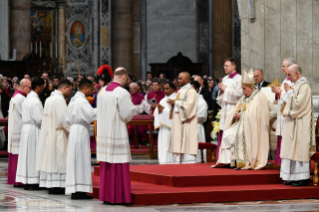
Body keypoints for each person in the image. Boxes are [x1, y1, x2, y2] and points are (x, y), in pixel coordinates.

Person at [97, 67, 142, 205]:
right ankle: (119, 196)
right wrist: (138, 109)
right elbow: (126, 114)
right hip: (116, 130)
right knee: (118, 163)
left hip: (104, 131)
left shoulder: (103, 90)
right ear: (124, 77)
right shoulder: (121, 92)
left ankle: (107, 196)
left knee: (108, 164)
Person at [213, 69, 269, 170]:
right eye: (242, 89)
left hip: (254, 126)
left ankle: (241, 161)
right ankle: (230, 161)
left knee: (237, 134)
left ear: (251, 88)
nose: (242, 92)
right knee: (227, 133)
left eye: (244, 89)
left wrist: (242, 116)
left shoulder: (258, 97)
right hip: (242, 123)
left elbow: (258, 115)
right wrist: (234, 115)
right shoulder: (245, 97)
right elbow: (237, 108)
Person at [280, 64, 316, 186]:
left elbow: (298, 104)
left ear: (297, 74)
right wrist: (287, 93)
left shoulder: (305, 87)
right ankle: (290, 176)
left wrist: (289, 92)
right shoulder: (294, 85)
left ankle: (302, 178)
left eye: (289, 74)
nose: (287, 77)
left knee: (299, 149)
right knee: (290, 148)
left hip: (301, 123)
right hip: (291, 122)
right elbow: (287, 103)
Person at [36, 80, 73, 194]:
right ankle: (59, 185)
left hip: (48, 134)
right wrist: (72, 130)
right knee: (59, 160)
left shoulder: (48, 99)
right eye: (70, 90)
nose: (70, 93)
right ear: (65, 88)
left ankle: (52, 184)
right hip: (58, 134)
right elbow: (64, 119)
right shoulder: (60, 100)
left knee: (51, 159)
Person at [65, 79, 96, 199]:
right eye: (92, 88)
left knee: (75, 160)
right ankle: (80, 190)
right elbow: (91, 115)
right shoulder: (82, 101)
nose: (93, 91)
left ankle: (75, 189)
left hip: (73, 130)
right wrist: (103, 109)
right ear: (86, 88)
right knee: (81, 159)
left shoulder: (72, 100)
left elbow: (67, 119)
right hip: (81, 130)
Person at [16, 77, 45, 190]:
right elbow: (39, 119)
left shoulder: (27, 98)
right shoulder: (35, 101)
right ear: (38, 87)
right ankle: (33, 181)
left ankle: (27, 181)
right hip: (34, 130)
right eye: (42, 87)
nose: (43, 89)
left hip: (26, 129)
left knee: (27, 156)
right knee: (34, 155)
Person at [167, 72, 198, 164]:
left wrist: (175, 103)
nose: (178, 80)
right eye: (178, 78)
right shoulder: (181, 91)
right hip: (178, 122)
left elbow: (189, 107)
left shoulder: (191, 91)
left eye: (180, 79)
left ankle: (187, 162)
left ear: (187, 80)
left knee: (186, 146)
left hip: (186, 123)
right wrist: (173, 104)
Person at [216, 58, 242, 158]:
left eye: (227, 66)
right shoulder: (225, 78)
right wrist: (221, 91)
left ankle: (232, 158)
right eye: (224, 66)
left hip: (233, 109)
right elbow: (220, 97)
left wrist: (225, 89)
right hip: (225, 109)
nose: (224, 68)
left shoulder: (240, 78)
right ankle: (223, 158)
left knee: (231, 133)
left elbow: (240, 95)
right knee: (224, 131)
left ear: (233, 66)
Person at [7, 79, 32, 187]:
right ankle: (20, 180)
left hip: (14, 129)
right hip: (20, 129)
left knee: (15, 154)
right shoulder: (21, 99)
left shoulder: (15, 96)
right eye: (30, 88)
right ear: (24, 86)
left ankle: (14, 179)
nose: (30, 90)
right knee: (19, 155)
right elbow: (26, 115)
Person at [271, 58, 295, 165]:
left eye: (283, 66)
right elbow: (283, 96)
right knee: (281, 139)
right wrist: (277, 93)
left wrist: (279, 92)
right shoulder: (286, 80)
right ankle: (280, 164)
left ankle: (285, 165)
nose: (281, 68)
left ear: (290, 67)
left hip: (289, 117)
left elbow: (292, 98)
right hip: (282, 115)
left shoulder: (295, 81)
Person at [153, 82, 176, 164]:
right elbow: (156, 112)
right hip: (163, 127)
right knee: (163, 145)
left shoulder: (176, 99)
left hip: (172, 128)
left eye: (167, 88)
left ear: (173, 89)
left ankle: (171, 162)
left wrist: (162, 110)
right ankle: (163, 161)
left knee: (170, 145)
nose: (165, 90)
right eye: (164, 89)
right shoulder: (163, 100)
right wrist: (158, 110)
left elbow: (175, 113)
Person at [191, 81, 208, 163]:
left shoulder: (201, 102)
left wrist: (187, 117)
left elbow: (202, 116)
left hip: (196, 127)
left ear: (197, 89)